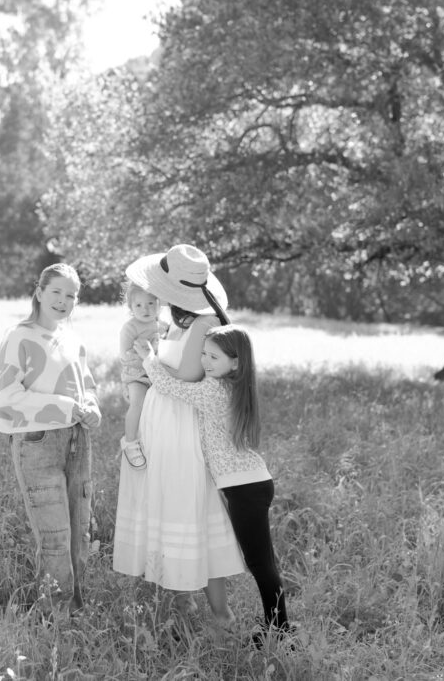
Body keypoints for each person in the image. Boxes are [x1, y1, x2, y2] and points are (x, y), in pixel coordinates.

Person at [112, 244, 243, 627]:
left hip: (180, 423)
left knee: (193, 508)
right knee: (167, 507)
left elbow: (185, 376)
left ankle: (221, 615)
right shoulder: (175, 321)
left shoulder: (202, 323)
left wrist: (148, 359)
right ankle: (181, 601)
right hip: (158, 419)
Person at [133, 324, 291, 645]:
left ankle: (280, 631)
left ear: (235, 363)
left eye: (214, 357)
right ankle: (277, 627)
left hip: (245, 488)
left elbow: (168, 386)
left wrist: (149, 358)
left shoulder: (214, 391)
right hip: (251, 483)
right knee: (264, 561)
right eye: (203, 353)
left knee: (260, 564)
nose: (205, 361)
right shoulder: (230, 386)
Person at [0, 263, 102, 614]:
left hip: (78, 442)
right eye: (56, 291)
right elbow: (7, 396)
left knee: (79, 535)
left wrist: (92, 409)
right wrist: (64, 406)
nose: (64, 300)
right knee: (54, 539)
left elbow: (89, 389)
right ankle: (56, 618)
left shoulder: (73, 340)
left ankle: (76, 610)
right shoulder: (19, 336)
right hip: (37, 444)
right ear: (39, 292)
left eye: (71, 295)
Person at [117, 282, 169, 470]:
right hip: (136, 374)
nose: (145, 309)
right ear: (130, 307)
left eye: (150, 303)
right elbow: (124, 355)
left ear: (158, 304)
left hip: (158, 372)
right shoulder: (130, 328)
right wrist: (143, 352)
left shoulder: (163, 326)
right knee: (137, 403)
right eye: (138, 305)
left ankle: (157, 440)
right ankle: (130, 442)